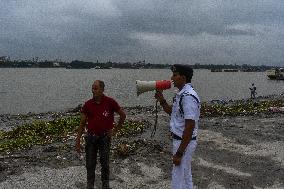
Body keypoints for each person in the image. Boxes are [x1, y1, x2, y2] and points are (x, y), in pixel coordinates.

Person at [155, 64, 200, 189]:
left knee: (178, 177)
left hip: (183, 142)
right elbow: (172, 112)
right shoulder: (182, 94)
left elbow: (190, 126)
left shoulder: (188, 97)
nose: (172, 78)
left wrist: (179, 153)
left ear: (183, 78)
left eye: (175, 75)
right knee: (185, 175)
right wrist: (162, 100)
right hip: (182, 141)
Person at [75, 80, 126, 189]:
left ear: (102, 90)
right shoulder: (88, 104)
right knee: (90, 165)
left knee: (105, 164)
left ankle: (105, 185)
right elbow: (82, 123)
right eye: (92, 88)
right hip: (91, 138)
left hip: (104, 138)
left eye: (96, 88)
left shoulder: (110, 102)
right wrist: (78, 140)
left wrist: (115, 130)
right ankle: (90, 186)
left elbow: (122, 115)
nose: (93, 91)